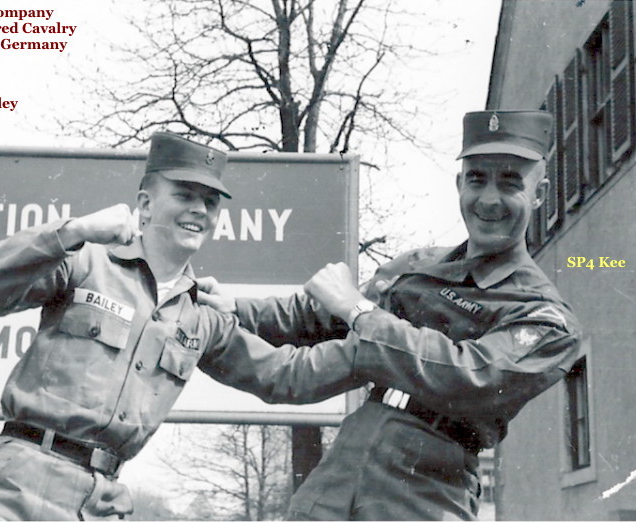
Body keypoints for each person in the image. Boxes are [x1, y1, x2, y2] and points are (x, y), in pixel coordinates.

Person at [0, 132, 367, 521]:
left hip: (97, 502)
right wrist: (72, 232)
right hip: (14, 487)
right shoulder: (86, 261)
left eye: (210, 202)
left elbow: (285, 376)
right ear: (145, 204)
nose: (199, 210)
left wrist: (376, 337)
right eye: (184, 195)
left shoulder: (202, 317)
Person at [197, 110, 582, 520]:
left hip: (427, 484)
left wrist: (359, 311)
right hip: (345, 462)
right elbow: (320, 314)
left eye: (510, 183)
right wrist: (236, 307)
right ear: (458, 185)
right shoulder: (418, 266)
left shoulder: (545, 318)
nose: (489, 199)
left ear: (539, 193)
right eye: (476, 179)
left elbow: (471, 373)